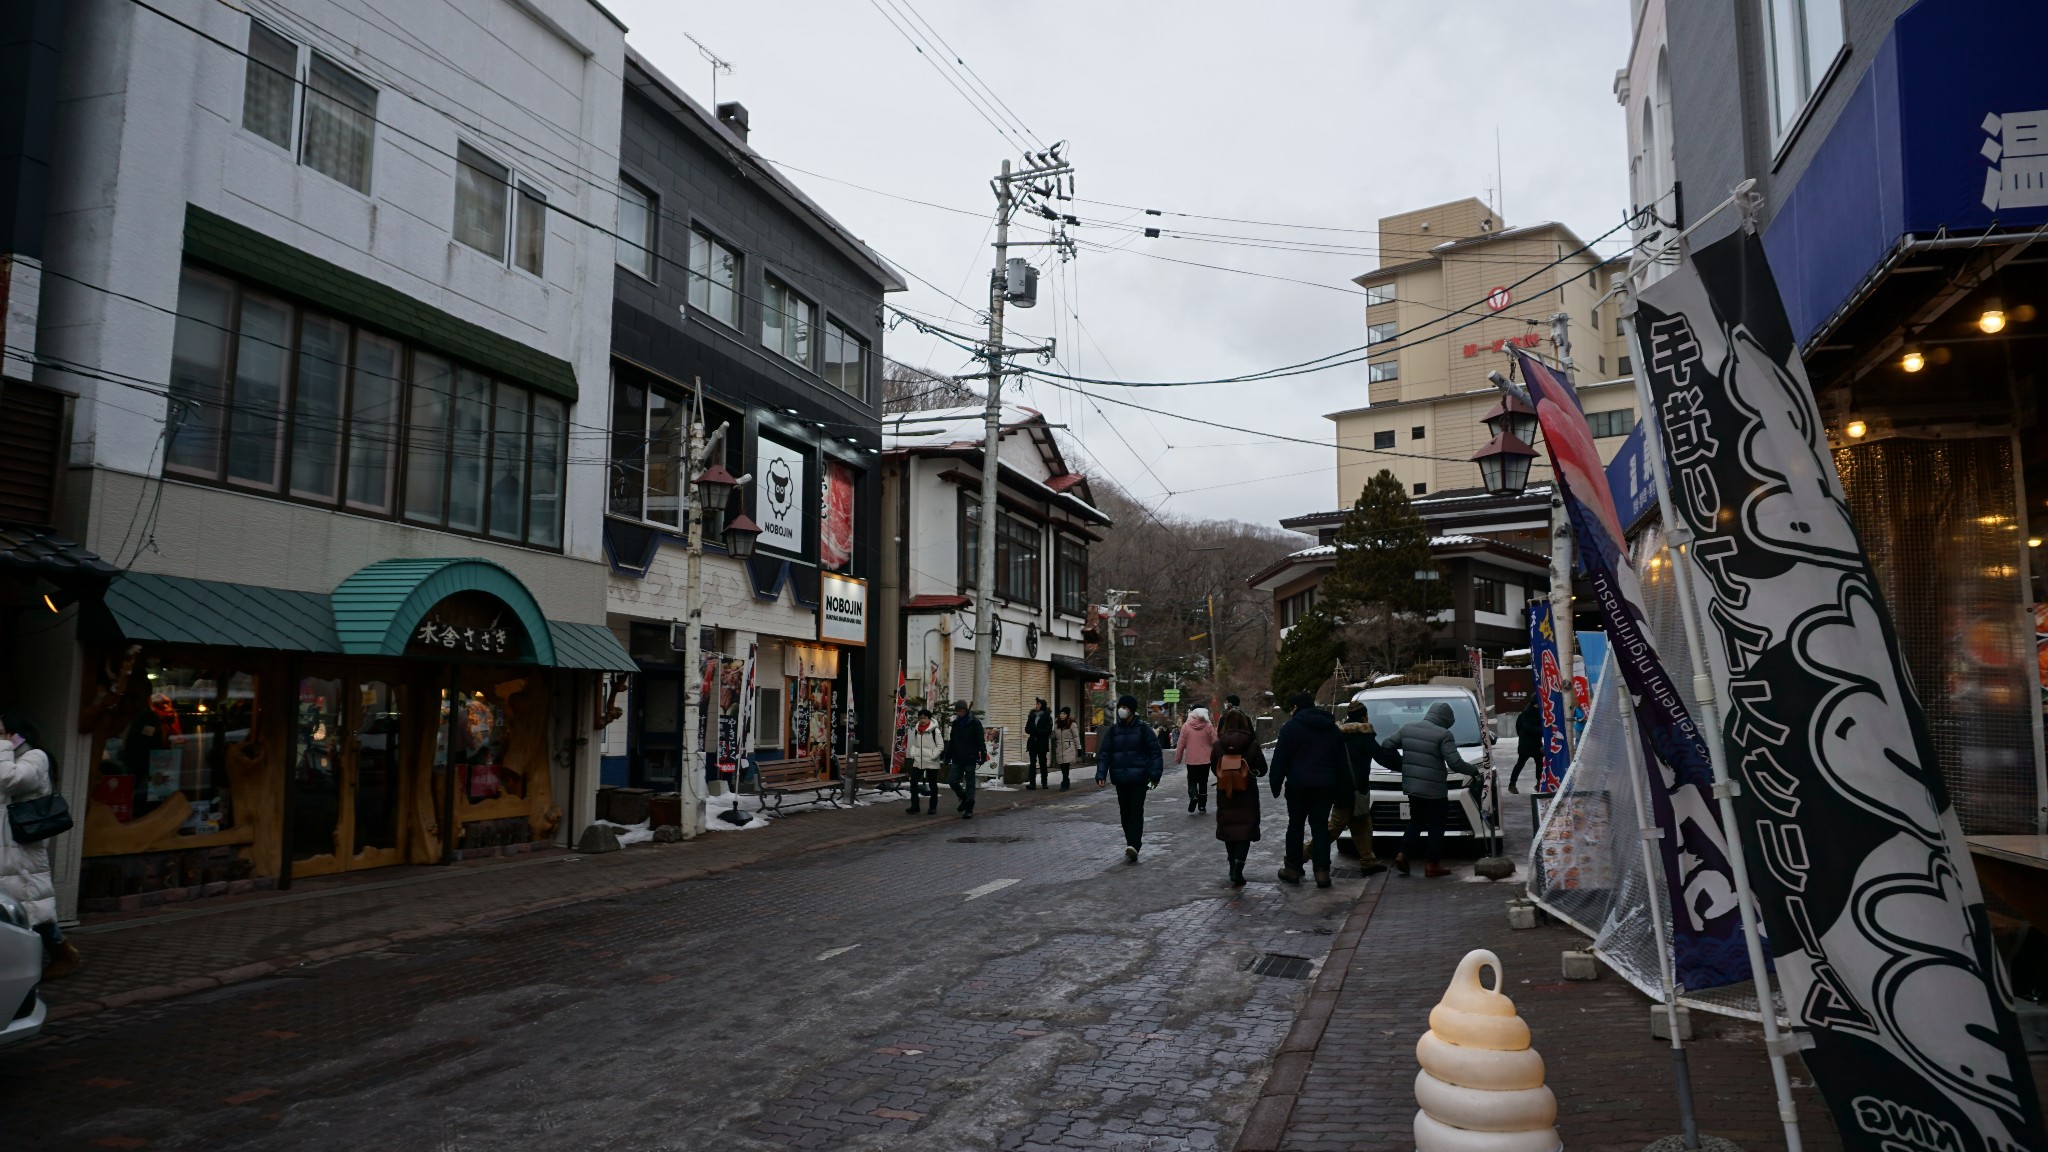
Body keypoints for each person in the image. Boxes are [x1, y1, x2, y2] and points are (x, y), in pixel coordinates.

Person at [0, 712, 78, 979]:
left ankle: (54, 954)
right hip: (4, 844)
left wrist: (2, 746)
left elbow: (8, 780)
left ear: (13, 733)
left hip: (22, 844)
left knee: (30, 903)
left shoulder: (35, 757)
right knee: (20, 903)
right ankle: (55, 951)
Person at [1268, 692, 1351, 888]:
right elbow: (1342, 763)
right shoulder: (1331, 729)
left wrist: (1275, 783)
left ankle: (1292, 870)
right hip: (1325, 787)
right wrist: (1344, 790)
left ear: (1296, 707)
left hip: (1298, 786)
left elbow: (1280, 759)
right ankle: (1322, 873)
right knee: (1320, 828)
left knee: (1295, 827)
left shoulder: (1290, 729)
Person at [1393, 701, 1462, 878]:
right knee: (1437, 824)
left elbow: (1387, 745)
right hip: (1435, 790)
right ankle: (1432, 864)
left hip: (1412, 787)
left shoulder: (1407, 729)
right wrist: (1474, 772)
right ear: (1446, 719)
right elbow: (1455, 762)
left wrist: (1402, 765)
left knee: (1416, 820)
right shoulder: (1444, 734)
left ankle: (1402, 854)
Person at [1095, 693, 1163, 862]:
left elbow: (1155, 753)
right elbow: (1105, 754)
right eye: (1120, 707)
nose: (1121, 710)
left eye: (1125, 708)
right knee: (1125, 812)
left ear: (1132, 710)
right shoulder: (1113, 731)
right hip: (1120, 779)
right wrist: (1101, 773)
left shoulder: (1143, 730)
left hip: (1140, 779)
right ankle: (1130, 843)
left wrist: (1154, 776)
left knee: (1135, 811)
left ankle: (1134, 844)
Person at [1331, 702, 1394, 877]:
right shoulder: (1364, 736)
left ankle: (1368, 862)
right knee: (1333, 829)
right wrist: (1404, 764)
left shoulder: (1338, 736)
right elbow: (1382, 758)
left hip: (1342, 789)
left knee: (1362, 826)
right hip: (1354, 791)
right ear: (1364, 717)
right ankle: (1299, 858)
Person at [1212, 707, 1268, 886]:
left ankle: (1231, 865)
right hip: (1247, 794)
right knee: (1244, 830)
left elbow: (1214, 767)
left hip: (1225, 793)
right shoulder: (1252, 744)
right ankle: (1238, 867)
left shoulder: (1218, 745)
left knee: (1229, 828)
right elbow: (1262, 769)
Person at [944, 699, 986, 819]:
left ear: (966, 710)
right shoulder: (956, 724)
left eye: (962, 711)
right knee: (952, 781)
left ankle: (969, 807)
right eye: (958, 711)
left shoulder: (975, 723)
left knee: (970, 784)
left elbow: (980, 740)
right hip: (957, 757)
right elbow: (952, 742)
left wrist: (982, 754)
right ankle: (963, 797)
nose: (960, 713)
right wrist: (948, 756)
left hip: (970, 757)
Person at [1174, 706, 1218, 815]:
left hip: (1191, 760)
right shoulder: (1208, 725)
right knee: (1203, 783)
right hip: (1206, 760)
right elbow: (1215, 741)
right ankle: (1202, 806)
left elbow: (1180, 744)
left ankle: (1193, 796)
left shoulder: (1186, 726)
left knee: (1192, 781)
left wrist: (1178, 757)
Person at [905, 708, 945, 816]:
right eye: (920, 717)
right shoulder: (917, 730)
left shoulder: (935, 730)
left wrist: (932, 755)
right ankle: (915, 806)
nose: (922, 720)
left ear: (929, 718)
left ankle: (932, 807)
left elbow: (940, 746)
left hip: (931, 761)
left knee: (932, 784)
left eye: (925, 718)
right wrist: (913, 753)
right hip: (918, 761)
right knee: (913, 782)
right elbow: (914, 744)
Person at [1508, 699, 1542, 793]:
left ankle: (1539, 783)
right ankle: (1512, 784)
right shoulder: (1526, 714)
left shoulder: (1539, 712)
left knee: (1539, 763)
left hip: (1536, 742)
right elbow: (1526, 727)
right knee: (1521, 763)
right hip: (1526, 743)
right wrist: (1541, 731)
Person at [1024, 698, 1054, 790]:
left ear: (1042, 706)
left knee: (1043, 763)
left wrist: (1038, 731)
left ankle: (1044, 782)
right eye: (1036, 704)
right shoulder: (1032, 716)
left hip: (1042, 742)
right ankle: (1032, 783)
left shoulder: (1047, 717)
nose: (1036, 705)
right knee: (1032, 763)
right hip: (1032, 742)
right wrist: (1033, 729)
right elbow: (1027, 729)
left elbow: (1048, 730)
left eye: (1038, 704)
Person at [1052, 706, 1082, 791]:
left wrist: (1079, 748)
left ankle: (1064, 782)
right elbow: (1054, 735)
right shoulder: (1057, 723)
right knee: (1062, 766)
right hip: (1059, 747)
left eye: (1064, 714)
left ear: (1067, 715)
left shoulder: (1072, 724)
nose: (1062, 715)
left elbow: (1076, 737)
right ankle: (1066, 780)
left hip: (1068, 747)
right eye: (1061, 713)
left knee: (1066, 765)